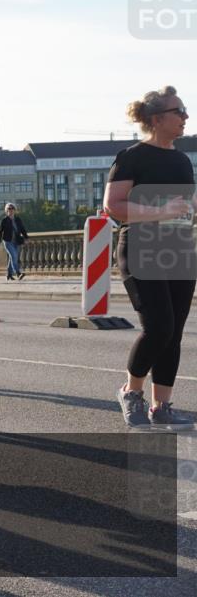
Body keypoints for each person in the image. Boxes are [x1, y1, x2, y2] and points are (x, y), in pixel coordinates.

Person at [105, 85, 194, 430]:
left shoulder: (182, 160)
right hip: (142, 251)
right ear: (157, 119)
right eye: (180, 111)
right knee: (159, 327)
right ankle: (131, 392)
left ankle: (163, 406)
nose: (186, 117)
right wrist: (161, 210)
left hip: (180, 251)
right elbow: (114, 206)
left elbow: (185, 207)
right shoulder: (132, 157)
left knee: (175, 333)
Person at [0, 203, 29, 280]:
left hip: (16, 241)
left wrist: (26, 238)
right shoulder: (4, 220)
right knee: (14, 256)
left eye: (12, 208)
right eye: (9, 209)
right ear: (6, 211)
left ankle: (9, 274)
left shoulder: (18, 219)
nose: (10, 210)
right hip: (8, 241)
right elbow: (0, 232)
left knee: (12, 257)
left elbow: (22, 229)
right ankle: (18, 273)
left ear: (14, 210)